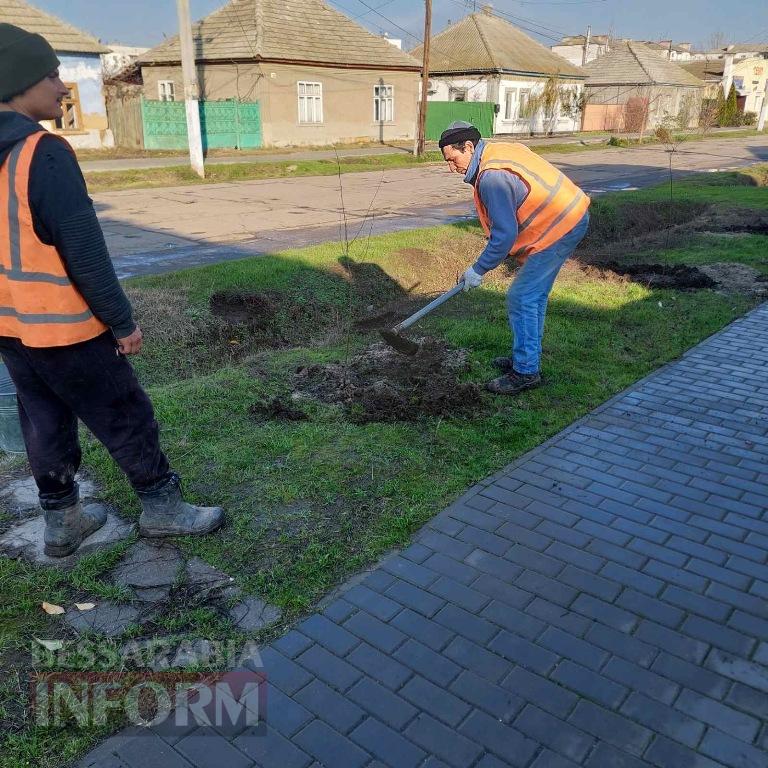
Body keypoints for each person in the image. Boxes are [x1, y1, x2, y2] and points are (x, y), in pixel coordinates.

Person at [0, 24, 224, 557]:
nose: (62, 85)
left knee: (43, 419)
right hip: (64, 325)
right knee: (123, 412)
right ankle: (165, 509)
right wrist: (122, 322)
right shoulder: (42, 151)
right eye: (51, 73)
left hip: (10, 327)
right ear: (18, 81)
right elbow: (85, 251)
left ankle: (63, 522)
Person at [440, 121, 590, 395]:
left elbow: (504, 236)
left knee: (522, 297)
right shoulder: (494, 152)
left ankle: (525, 372)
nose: (452, 168)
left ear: (469, 147)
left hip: (561, 225)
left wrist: (477, 270)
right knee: (532, 297)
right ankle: (527, 359)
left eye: (453, 159)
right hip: (567, 216)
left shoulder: (492, 177)